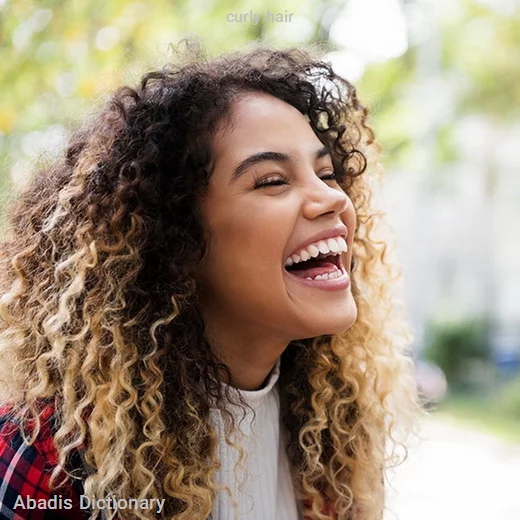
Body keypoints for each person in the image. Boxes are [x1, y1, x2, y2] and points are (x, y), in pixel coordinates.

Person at [0, 43, 420, 520]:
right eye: (272, 181)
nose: (332, 200)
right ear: (174, 238)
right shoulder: (54, 458)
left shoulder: (334, 439)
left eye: (326, 173)